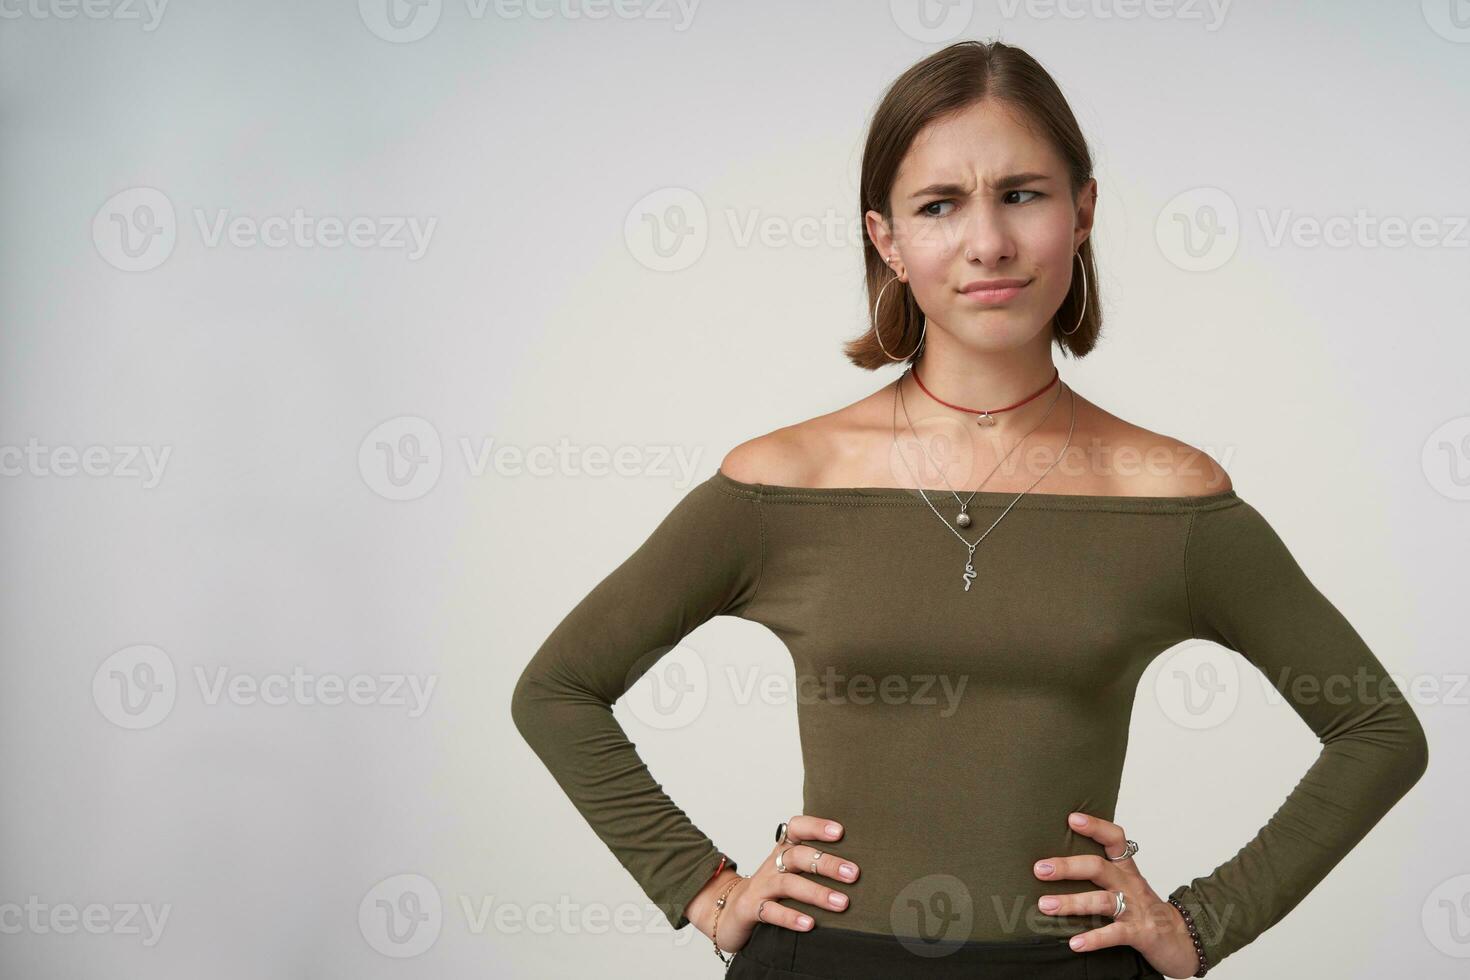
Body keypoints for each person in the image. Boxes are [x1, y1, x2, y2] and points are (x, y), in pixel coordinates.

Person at [510, 40, 1429, 979]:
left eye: (1022, 194)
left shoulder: (1166, 494)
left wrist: (1201, 926)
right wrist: (702, 889)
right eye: (940, 205)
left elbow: (1378, 733)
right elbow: (557, 691)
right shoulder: (783, 480)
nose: (987, 242)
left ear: (1084, 214)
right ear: (888, 241)